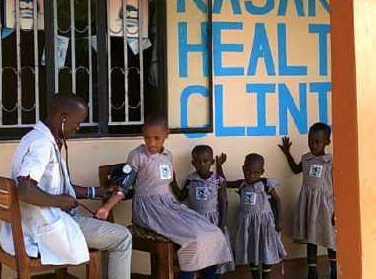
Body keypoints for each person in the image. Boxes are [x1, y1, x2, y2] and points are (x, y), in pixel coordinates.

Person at [0, 92, 132, 279]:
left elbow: (56, 187)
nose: (78, 128)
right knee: (122, 237)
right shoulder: (42, 145)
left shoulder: (34, 137)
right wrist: (60, 201)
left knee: (111, 235)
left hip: (33, 223)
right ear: (63, 118)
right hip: (44, 227)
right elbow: (25, 190)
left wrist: (98, 191)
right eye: (77, 122)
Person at [120, 113, 232, 279]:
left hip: (168, 204)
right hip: (149, 209)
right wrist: (107, 205)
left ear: (167, 134)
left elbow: (167, 183)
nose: (151, 143)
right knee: (194, 238)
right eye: (147, 137)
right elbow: (123, 186)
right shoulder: (138, 155)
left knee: (214, 232)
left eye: (157, 138)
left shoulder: (168, 156)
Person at [278, 122, 337, 279]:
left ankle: (334, 270)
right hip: (309, 204)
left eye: (318, 141)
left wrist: (336, 210)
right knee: (311, 237)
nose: (313, 144)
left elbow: (337, 186)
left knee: (330, 238)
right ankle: (312, 271)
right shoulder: (306, 159)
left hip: (325, 206)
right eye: (310, 140)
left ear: (327, 142)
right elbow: (296, 169)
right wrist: (287, 153)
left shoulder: (331, 162)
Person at [171, 145, 236, 278]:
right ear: (193, 162)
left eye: (206, 161)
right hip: (194, 222)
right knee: (196, 253)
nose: (202, 164)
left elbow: (223, 204)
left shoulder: (218, 181)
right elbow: (182, 196)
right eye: (198, 161)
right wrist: (173, 181)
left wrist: (221, 225)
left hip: (213, 222)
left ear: (212, 162)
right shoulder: (191, 179)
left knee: (213, 255)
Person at [226, 153, 287, 279]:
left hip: (264, 224)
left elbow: (277, 201)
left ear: (261, 171)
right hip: (247, 224)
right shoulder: (241, 184)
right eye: (247, 172)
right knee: (250, 248)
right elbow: (223, 183)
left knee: (265, 248)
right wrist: (217, 173)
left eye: (255, 173)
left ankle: (266, 274)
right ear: (243, 169)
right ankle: (255, 275)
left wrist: (279, 220)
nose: (251, 176)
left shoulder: (266, 184)